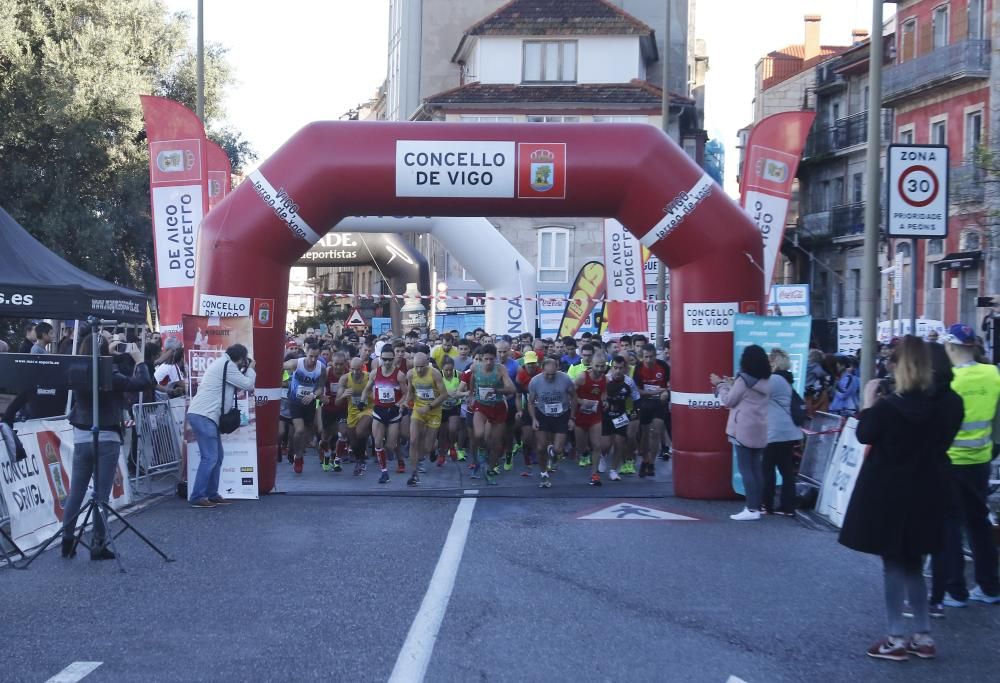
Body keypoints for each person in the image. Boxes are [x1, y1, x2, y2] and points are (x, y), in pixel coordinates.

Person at [838, 336, 963, 661]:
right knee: (915, 563)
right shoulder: (950, 403)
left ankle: (896, 638)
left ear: (900, 366)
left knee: (893, 565)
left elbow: (864, 433)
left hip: (889, 493)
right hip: (929, 489)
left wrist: (868, 400)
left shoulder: (889, 407)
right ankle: (922, 635)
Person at [61, 334, 152, 559]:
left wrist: (107, 355)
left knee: (76, 492)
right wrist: (139, 360)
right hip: (107, 435)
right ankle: (98, 545)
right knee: (101, 495)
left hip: (82, 434)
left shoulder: (76, 369)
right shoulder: (109, 373)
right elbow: (142, 383)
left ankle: (67, 542)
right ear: (104, 348)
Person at [933, 323, 1000, 608]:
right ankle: (989, 586)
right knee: (979, 523)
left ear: (949, 346)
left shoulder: (949, 381)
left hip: (949, 461)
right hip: (981, 459)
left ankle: (955, 590)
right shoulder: (993, 373)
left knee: (949, 525)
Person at [186, 344, 256, 508]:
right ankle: (197, 496)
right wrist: (251, 367)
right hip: (204, 415)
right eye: (243, 360)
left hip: (205, 415)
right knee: (210, 457)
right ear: (240, 358)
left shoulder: (223, 364)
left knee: (216, 457)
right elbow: (247, 385)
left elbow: (239, 382)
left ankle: (212, 494)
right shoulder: (228, 366)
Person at [711, 345, 770, 521]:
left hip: (742, 428)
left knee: (746, 470)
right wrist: (732, 384)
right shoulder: (766, 380)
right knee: (756, 469)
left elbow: (729, 401)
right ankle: (757, 506)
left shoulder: (743, 380)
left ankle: (751, 509)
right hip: (760, 428)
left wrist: (721, 385)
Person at [461, 343, 515, 485]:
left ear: (495, 358)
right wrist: (471, 395)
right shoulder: (475, 367)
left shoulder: (500, 369)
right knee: (478, 435)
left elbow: (512, 388)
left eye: (492, 359)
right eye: (486, 359)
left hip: (498, 408)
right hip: (482, 406)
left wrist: (497, 390)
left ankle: (490, 471)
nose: (489, 362)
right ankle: (482, 451)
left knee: (496, 443)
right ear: (482, 359)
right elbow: (472, 380)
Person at [762, 348, 802, 516]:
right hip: (788, 431)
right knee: (786, 469)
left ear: (774, 362)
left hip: (775, 431)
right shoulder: (786, 380)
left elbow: (754, 392)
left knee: (767, 468)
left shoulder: (774, 379)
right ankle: (787, 506)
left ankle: (767, 504)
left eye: (770, 361)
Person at [361, 345, 409, 483]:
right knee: (377, 442)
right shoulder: (375, 373)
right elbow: (366, 389)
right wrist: (362, 401)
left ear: (394, 359)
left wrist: (400, 404)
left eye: (390, 360)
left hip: (393, 413)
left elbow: (406, 393)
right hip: (379, 411)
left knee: (390, 446)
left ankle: (399, 459)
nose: (387, 362)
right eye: (384, 359)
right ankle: (384, 472)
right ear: (380, 358)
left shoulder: (399, 375)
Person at [527, 357, 576, 488]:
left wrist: (572, 418)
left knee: (559, 449)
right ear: (542, 370)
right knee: (541, 447)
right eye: (547, 374)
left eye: (553, 374)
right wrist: (534, 419)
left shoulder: (565, 379)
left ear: (557, 370)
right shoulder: (535, 381)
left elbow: (574, 397)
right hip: (543, 414)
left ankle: (553, 453)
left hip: (561, 415)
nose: (550, 377)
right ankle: (543, 473)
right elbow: (531, 402)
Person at [405, 352, 448, 486]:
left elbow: (444, 395)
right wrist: (406, 402)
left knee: (427, 448)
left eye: (422, 367)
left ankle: (434, 447)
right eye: (416, 366)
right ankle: (414, 473)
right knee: (413, 440)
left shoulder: (434, 373)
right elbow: (410, 391)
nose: (419, 370)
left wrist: (429, 407)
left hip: (433, 412)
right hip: (418, 410)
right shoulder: (411, 374)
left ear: (427, 363)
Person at [283, 344, 327, 474]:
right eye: (311, 356)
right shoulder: (296, 363)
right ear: (306, 353)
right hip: (295, 401)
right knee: (299, 430)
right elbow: (278, 366)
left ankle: (299, 454)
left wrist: (313, 395)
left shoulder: (321, 368)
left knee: (306, 435)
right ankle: (298, 457)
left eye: (316, 357)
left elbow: (320, 387)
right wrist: (283, 382)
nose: (313, 360)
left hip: (310, 403)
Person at [633, 343, 670, 478]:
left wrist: (665, 392)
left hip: (659, 404)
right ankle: (645, 460)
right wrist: (654, 391)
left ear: (656, 356)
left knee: (656, 432)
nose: (649, 360)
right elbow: (637, 391)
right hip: (644, 404)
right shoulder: (638, 368)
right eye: (646, 357)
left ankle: (652, 463)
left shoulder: (663, 366)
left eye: (651, 357)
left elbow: (670, 385)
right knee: (644, 435)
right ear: (642, 357)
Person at [603, 355, 640, 481]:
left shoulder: (629, 382)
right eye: (615, 368)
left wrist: (635, 411)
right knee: (606, 444)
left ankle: (613, 470)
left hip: (621, 415)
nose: (618, 371)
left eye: (620, 368)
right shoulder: (605, 380)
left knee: (619, 443)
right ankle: (602, 455)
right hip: (606, 416)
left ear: (625, 369)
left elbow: (636, 399)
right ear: (611, 368)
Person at [574, 351, 608, 485]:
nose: (600, 369)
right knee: (581, 447)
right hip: (580, 416)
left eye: (602, 366)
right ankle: (584, 451)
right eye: (597, 366)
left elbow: (604, 393)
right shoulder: (582, 377)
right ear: (591, 365)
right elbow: (571, 393)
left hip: (595, 416)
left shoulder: (605, 379)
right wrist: (581, 401)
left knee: (597, 445)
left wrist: (605, 401)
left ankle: (594, 474)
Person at [338, 357, 374, 477]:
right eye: (352, 369)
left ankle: (361, 460)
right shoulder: (344, 379)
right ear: (349, 367)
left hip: (368, 409)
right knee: (353, 441)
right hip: (352, 412)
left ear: (362, 367)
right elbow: (337, 402)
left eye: (358, 370)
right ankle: (360, 459)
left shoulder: (369, 377)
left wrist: (371, 395)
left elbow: (378, 394)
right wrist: (343, 395)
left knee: (360, 432)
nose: (355, 372)